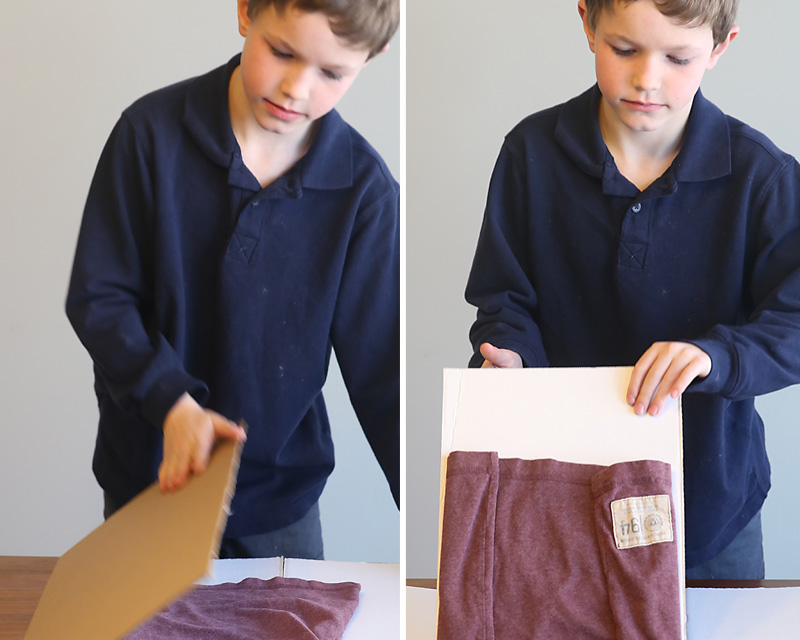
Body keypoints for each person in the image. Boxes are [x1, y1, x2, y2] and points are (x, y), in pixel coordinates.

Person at [467, 0, 800, 580]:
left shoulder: (762, 176)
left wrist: (715, 355)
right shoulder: (530, 153)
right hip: (566, 492)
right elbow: (505, 299)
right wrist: (510, 356)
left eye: (678, 58)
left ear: (720, 48)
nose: (648, 79)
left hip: (709, 508)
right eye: (624, 50)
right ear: (588, 24)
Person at [66, 1, 399, 560]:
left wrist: (442, 524)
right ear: (246, 11)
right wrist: (173, 404)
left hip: (280, 504)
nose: (296, 88)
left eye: (332, 73)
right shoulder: (148, 136)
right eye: (282, 52)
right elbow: (100, 298)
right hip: (150, 485)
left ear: (371, 57)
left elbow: (381, 375)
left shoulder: (364, 192)